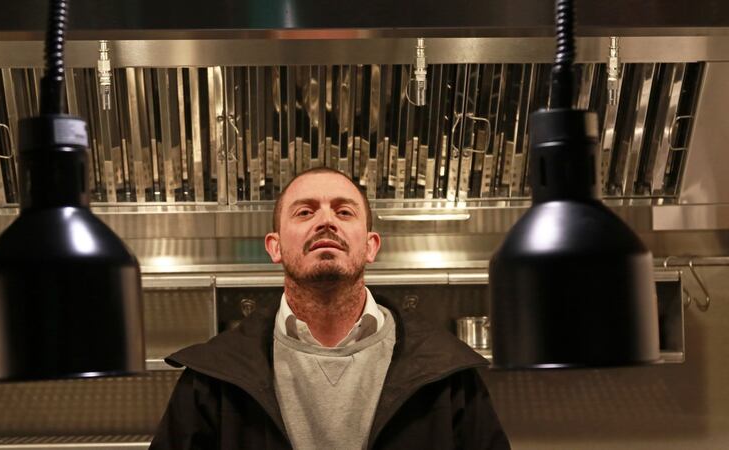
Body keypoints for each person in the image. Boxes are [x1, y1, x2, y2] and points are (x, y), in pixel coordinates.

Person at [150, 167, 510, 450]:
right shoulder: (213, 379)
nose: (326, 220)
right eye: (305, 212)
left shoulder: (448, 374)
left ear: (371, 246)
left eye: (344, 211)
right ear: (274, 247)